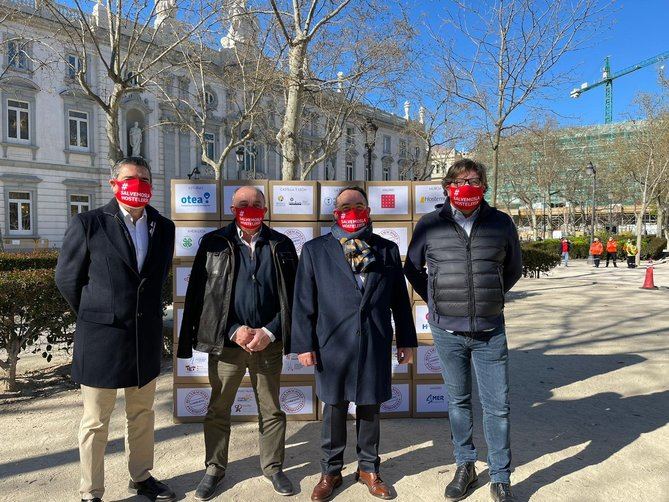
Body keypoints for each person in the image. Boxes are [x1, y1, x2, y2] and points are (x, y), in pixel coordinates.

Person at [55, 157, 176, 502]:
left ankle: (141, 477)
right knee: (95, 422)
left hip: (145, 339)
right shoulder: (89, 223)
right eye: (130, 178)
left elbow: (156, 279)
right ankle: (90, 491)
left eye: (144, 179)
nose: (138, 184)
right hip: (101, 339)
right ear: (113, 184)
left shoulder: (163, 227)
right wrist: (97, 314)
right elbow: (67, 278)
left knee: (142, 414)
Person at [404, 159, 522, 502]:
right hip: (447, 331)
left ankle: (500, 477)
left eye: (473, 180)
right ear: (447, 187)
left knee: (497, 406)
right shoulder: (429, 224)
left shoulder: (500, 222)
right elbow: (413, 269)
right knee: (458, 401)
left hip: (490, 329)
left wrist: (493, 297)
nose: (466, 186)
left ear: (483, 185)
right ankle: (465, 465)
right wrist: (437, 300)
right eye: (459, 180)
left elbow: (513, 268)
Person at [291, 186, 417, 501]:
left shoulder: (386, 250)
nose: (352, 209)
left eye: (358, 204)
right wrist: (305, 344)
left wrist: (407, 340)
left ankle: (368, 469)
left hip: (374, 341)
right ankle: (330, 472)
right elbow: (304, 302)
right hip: (331, 344)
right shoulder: (315, 250)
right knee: (333, 409)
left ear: (368, 211)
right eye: (345, 205)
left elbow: (400, 302)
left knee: (370, 407)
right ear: (335, 212)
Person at [177, 186, 298, 500]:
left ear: (266, 209)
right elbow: (202, 298)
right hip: (228, 345)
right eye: (243, 203)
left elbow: (293, 297)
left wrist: (270, 332)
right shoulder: (214, 244)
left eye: (257, 203)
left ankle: (273, 467)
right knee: (219, 408)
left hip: (268, 344)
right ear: (232, 207)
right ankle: (214, 469)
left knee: (272, 410)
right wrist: (233, 330)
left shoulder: (282, 245)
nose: (250, 207)